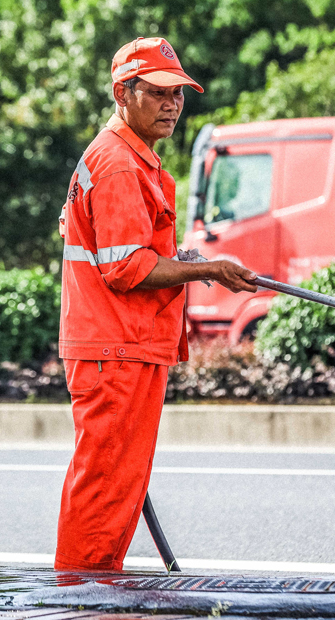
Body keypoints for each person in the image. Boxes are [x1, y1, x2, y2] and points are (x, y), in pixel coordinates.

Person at [55, 37, 257, 571]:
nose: (172, 104)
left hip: (125, 347)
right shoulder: (119, 164)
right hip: (115, 350)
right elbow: (127, 268)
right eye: (159, 92)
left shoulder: (127, 158)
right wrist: (210, 268)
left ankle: (96, 590)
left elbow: (131, 251)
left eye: (179, 94)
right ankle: (84, 599)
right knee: (104, 488)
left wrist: (183, 257)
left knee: (119, 484)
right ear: (124, 92)